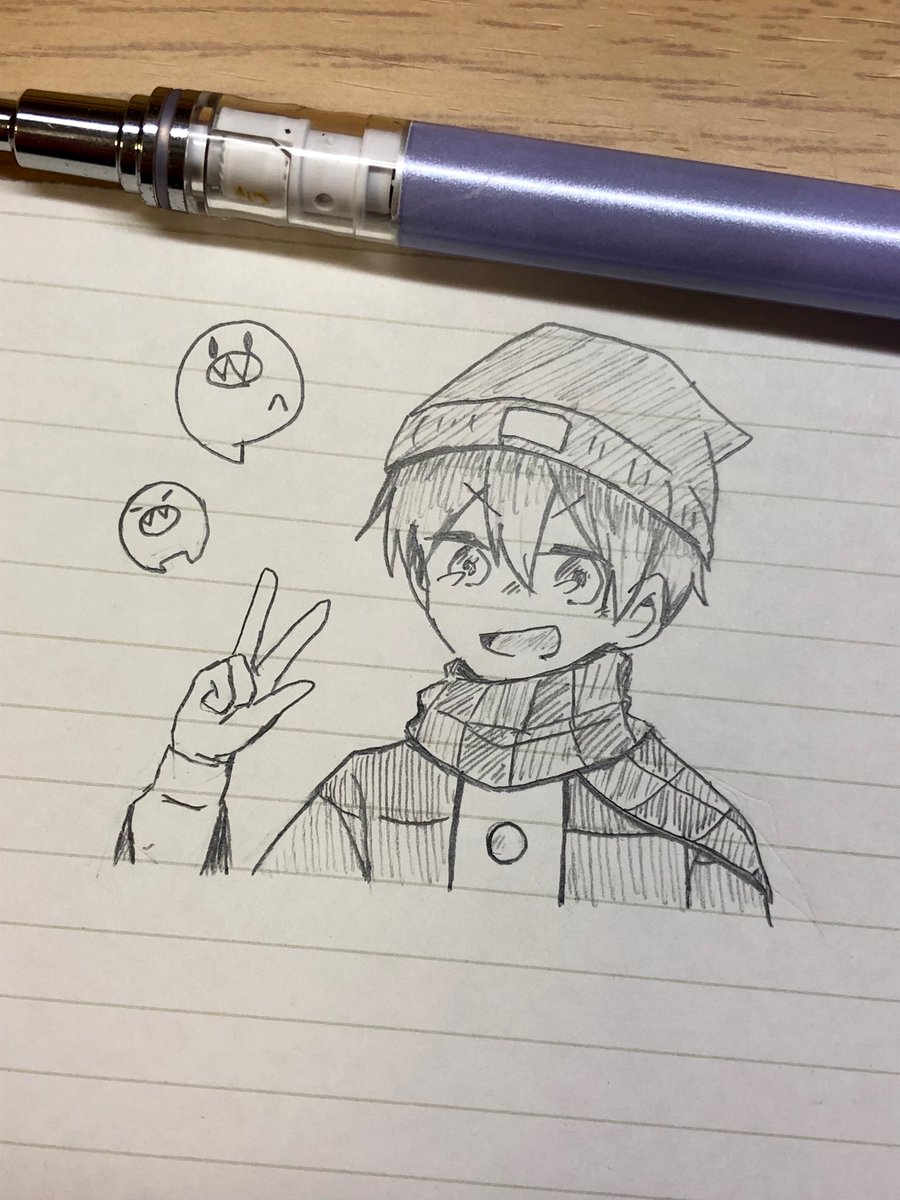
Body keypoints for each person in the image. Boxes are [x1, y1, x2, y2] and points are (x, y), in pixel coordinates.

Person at [116, 323, 772, 918]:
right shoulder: (365, 795)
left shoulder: (691, 828)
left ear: (641, 610)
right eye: (467, 560)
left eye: (571, 572)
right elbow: (204, 948)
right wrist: (189, 776)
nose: (512, 595)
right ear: (421, 576)